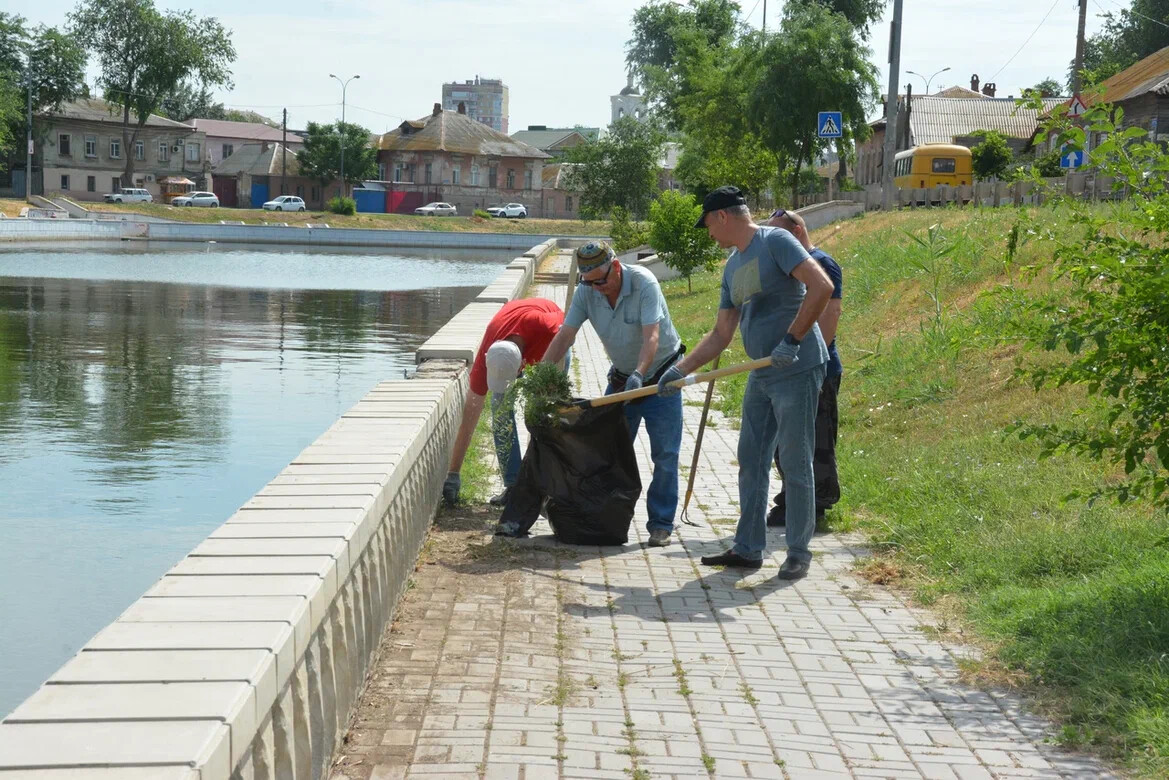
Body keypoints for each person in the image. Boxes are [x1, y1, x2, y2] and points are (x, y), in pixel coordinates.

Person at [657, 186, 833, 581]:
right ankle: (749, 548)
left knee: (794, 460)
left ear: (722, 216)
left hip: (797, 367)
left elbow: (821, 286)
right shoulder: (732, 268)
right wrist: (680, 371)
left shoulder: (776, 241)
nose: (708, 234)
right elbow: (721, 333)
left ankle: (798, 552)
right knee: (751, 459)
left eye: (707, 224)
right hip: (762, 371)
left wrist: (793, 339)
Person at [541, 241, 685, 548]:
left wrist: (640, 373)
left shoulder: (644, 282)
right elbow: (566, 335)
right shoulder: (587, 292)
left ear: (616, 267)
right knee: (606, 451)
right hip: (622, 380)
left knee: (665, 454)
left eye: (601, 281)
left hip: (662, 377)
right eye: (589, 283)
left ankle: (660, 524)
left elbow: (652, 336)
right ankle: (602, 517)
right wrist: (542, 373)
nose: (596, 289)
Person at [764, 207, 844, 527]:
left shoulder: (822, 264)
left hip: (816, 369)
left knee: (815, 439)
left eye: (778, 235)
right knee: (789, 440)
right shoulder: (788, 266)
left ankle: (815, 504)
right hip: (787, 367)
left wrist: (808, 359)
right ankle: (793, 496)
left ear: (796, 232)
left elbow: (830, 316)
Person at [442, 297, 564, 507]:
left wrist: (549, 380)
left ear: (520, 367)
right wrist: (453, 473)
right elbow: (469, 416)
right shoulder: (489, 353)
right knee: (500, 412)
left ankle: (542, 488)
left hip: (554, 345)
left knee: (541, 416)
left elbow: (569, 327)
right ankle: (514, 486)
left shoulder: (544, 324)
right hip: (515, 339)